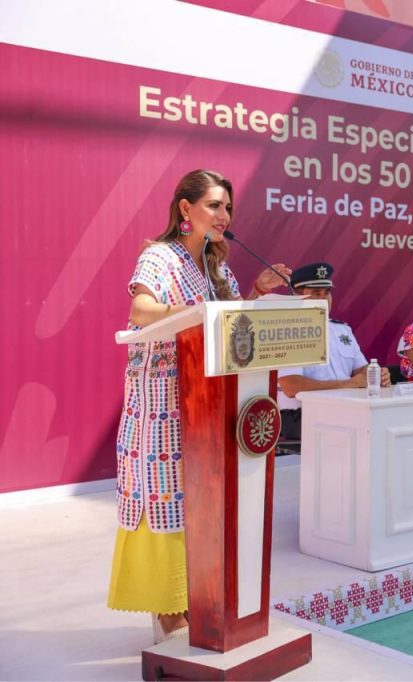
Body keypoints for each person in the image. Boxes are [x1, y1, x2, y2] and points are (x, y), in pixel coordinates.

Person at [108, 169, 291, 642]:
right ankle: (167, 607)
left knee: (202, 500)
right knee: (165, 495)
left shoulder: (217, 267)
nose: (223, 215)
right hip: (161, 403)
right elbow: (140, 311)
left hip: (208, 403)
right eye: (214, 205)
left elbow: (230, 326)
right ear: (186, 209)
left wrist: (255, 294)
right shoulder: (159, 256)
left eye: (227, 207)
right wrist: (196, 314)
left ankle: (198, 598)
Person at [277, 262, 390, 441]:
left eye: (327, 292)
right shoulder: (286, 331)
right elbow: (291, 386)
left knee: (385, 421)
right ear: (296, 296)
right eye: (316, 293)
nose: (324, 298)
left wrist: (376, 374)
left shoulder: (342, 329)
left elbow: (360, 369)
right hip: (301, 414)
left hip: (345, 407)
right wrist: (347, 384)